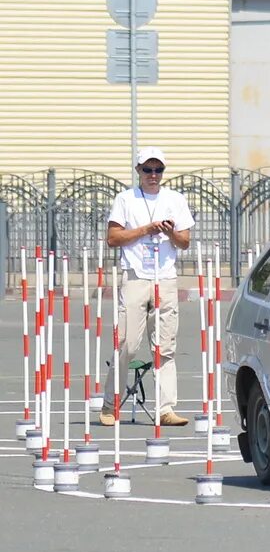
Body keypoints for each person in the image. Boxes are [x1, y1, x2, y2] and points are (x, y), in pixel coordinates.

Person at [100, 147, 194, 427]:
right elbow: (113, 238)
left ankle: (165, 408)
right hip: (135, 276)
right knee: (128, 343)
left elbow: (185, 241)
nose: (153, 175)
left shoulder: (175, 199)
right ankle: (109, 404)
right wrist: (146, 229)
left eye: (158, 170)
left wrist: (168, 232)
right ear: (139, 171)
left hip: (164, 278)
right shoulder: (125, 199)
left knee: (165, 346)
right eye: (148, 170)